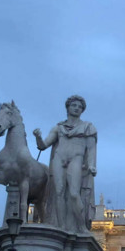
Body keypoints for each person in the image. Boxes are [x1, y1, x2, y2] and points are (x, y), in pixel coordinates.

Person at [34, 95, 97, 233]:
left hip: (76, 159)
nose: (77, 108)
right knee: (58, 193)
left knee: (74, 194)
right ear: (68, 107)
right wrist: (38, 137)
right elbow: (43, 145)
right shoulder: (58, 128)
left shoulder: (88, 127)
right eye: (74, 105)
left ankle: (81, 227)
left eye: (80, 107)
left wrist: (92, 164)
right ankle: (61, 227)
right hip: (59, 158)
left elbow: (91, 149)